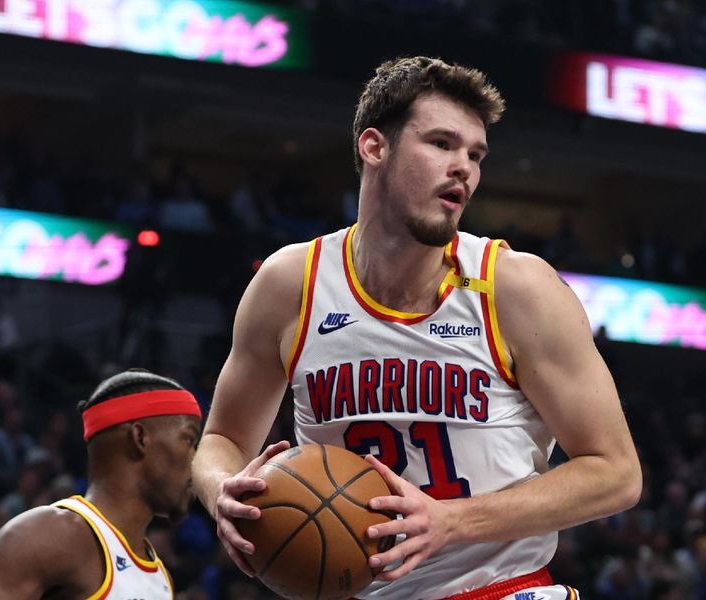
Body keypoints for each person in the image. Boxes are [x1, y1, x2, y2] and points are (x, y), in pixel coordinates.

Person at [191, 56, 642, 599]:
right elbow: (222, 440)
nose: (464, 169)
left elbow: (615, 473)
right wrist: (222, 491)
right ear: (375, 147)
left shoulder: (517, 288)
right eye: (442, 144)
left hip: (500, 588)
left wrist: (452, 520)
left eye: (475, 154)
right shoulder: (291, 283)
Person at [0, 368, 202, 599]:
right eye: (189, 440)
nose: (198, 460)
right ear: (140, 437)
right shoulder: (51, 535)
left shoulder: (160, 578)